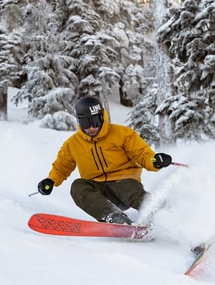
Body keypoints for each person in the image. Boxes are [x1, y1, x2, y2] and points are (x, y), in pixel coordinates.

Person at [36, 96, 173, 225]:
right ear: (79, 122)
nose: (91, 128)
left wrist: (155, 160)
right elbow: (62, 166)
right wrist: (51, 180)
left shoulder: (122, 134)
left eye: (94, 122)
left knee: (129, 189)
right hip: (99, 192)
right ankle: (113, 216)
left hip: (124, 182)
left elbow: (142, 154)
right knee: (77, 186)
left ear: (102, 117)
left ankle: (165, 215)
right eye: (85, 123)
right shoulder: (73, 144)